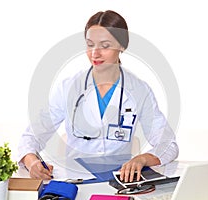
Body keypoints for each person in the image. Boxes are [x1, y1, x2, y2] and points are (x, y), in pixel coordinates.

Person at [18, 10, 179, 182]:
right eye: (90, 44)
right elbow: (32, 136)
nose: (95, 53)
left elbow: (168, 145)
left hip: (120, 184)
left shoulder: (140, 90)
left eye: (105, 45)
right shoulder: (68, 88)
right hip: (75, 182)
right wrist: (32, 161)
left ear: (122, 46)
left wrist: (142, 158)